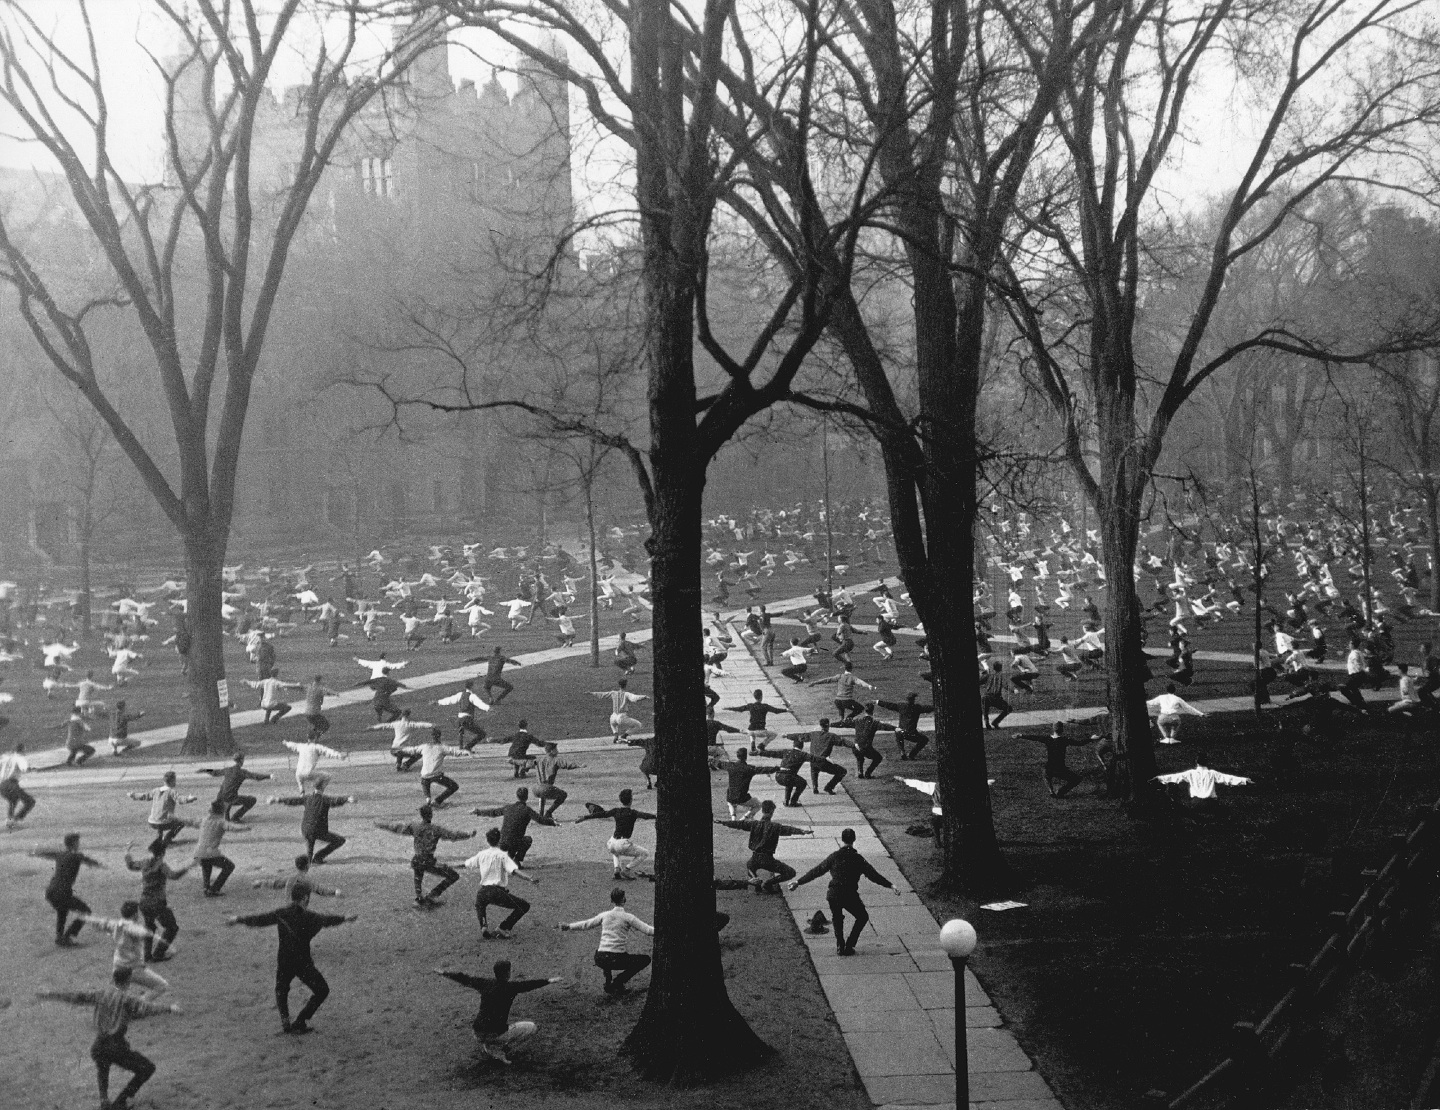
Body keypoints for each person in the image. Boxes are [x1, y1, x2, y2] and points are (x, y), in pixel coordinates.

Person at [36, 967, 182, 1110]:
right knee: (147, 1068)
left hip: (98, 1045)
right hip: (115, 1045)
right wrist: (169, 1008)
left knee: (103, 1068)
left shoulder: (102, 994)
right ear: (128, 982)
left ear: (114, 979)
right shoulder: (126, 999)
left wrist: (51, 995)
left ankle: (104, 1101)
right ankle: (120, 1102)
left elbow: (77, 997)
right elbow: (147, 1008)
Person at [226, 885, 358, 1034]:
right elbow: (326, 920)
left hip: (284, 960)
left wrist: (238, 919)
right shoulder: (310, 916)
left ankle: (285, 1022)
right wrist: (344, 918)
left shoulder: (282, 913)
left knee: (281, 989)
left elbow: (260, 919)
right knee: (322, 990)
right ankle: (300, 1020)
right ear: (305, 898)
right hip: (302, 962)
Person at [789, 826, 899, 954]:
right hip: (849, 894)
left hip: (833, 894)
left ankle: (840, 946)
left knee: (837, 917)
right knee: (862, 917)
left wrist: (798, 882)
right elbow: (874, 875)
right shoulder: (858, 859)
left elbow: (816, 871)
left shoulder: (834, 856)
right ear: (854, 840)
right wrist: (890, 885)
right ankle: (849, 944)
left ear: (842, 839)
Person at [436, 959, 562, 1063]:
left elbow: (465, 978)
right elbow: (528, 985)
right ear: (507, 973)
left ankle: (490, 1045)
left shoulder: (485, 983)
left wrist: (444, 973)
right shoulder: (510, 987)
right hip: (495, 1033)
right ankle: (497, 1048)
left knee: (492, 1030)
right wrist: (549, 980)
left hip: (477, 1032)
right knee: (532, 1027)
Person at [376, 804, 476, 907]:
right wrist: (468, 835)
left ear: (421, 815)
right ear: (431, 815)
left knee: (418, 877)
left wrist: (382, 825)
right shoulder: (435, 829)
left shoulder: (415, 826)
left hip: (417, 859)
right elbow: (452, 835)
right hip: (428, 861)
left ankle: (419, 899)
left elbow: (396, 827)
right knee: (453, 876)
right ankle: (431, 896)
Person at [560, 887, 655, 995]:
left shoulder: (604, 915)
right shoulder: (628, 917)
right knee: (645, 960)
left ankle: (608, 980)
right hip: (617, 958)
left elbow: (586, 924)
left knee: (606, 951)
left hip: (600, 958)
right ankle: (618, 982)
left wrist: (569, 926)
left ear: (611, 901)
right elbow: (648, 930)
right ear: (624, 899)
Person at [716, 799, 813, 892]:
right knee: (791, 872)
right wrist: (801, 831)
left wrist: (723, 822)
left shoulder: (754, 824)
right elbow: (788, 829)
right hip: (767, 859)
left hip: (754, 859)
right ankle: (768, 883)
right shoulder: (775, 826)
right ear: (772, 811)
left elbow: (739, 824)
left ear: (762, 811)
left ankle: (756, 883)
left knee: (750, 868)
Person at [463, 826, 542, 938]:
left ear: (487, 841)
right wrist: (530, 878)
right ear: (499, 840)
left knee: (480, 905)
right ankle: (503, 927)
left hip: (483, 891)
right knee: (524, 906)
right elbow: (515, 871)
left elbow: (467, 863)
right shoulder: (502, 856)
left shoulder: (482, 854)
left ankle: (484, 926)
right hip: (497, 891)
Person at [81, 901, 169, 1001]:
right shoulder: (132, 927)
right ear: (135, 914)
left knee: (117, 995)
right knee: (161, 986)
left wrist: (87, 918)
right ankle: (138, 1005)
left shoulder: (116, 925)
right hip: (134, 968)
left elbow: (101, 923)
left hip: (118, 968)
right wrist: (151, 934)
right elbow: (137, 931)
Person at [124, 838, 188, 963]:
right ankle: (158, 953)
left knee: (149, 927)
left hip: (144, 902)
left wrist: (127, 851)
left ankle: (147, 955)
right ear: (163, 853)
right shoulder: (161, 865)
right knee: (172, 928)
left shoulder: (144, 862)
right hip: (157, 903)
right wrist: (188, 867)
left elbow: (130, 865)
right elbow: (174, 876)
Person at [34, 832, 104, 945]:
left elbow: (47, 854)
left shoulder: (60, 854)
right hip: (62, 892)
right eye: (77, 842)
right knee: (86, 911)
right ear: (74, 843)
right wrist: (98, 865)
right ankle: (67, 937)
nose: (79, 844)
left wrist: (35, 853)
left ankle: (60, 937)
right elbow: (88, 860)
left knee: (62, 910)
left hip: (50, 891)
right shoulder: (77, 856)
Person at [575, 789, 655, 880]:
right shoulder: (633, 813)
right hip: (623, 844)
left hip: (611, 842)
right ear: (631, 800)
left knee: (615, 851)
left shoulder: (616, 811)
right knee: (644, 853)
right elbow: (646, 816)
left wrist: (585, 817)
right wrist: (656, 816)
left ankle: (617, 868)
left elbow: (602, 814)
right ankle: (627, 869)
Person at [267, 782, 354, 863]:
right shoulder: (325, 799)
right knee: (340, 840)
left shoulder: (307, 798)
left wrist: (278, 799)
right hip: (319, 830)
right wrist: (347, 799)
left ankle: (309, 861)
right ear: (323, 788)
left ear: (314, 788)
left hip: (306, 829)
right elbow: (335, 800)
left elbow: (293, 800)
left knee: (309, 852)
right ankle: (318, 857)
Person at [472, 786, 556, 864]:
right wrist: (552, 823)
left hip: (502, 844)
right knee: (528, 840)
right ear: (526, 797)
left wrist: (479, 812)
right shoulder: (527, 810)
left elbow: (493, 812)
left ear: (517, 796)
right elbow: (540, 820)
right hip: (514, 843)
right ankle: (516, 860)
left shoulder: (508, 808)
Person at [127, 772, 197, 847]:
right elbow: (179, 799)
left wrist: (133, 795)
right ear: (172, 781)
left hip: (152, 822)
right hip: (164, 823)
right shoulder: (171, 792)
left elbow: (145, 796)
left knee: (160, 816)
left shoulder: (156, 790)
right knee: (181, 822)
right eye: (175, 780)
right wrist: (189, 799)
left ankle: (159, 838)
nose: (175, 782)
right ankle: (167, 839)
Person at [198, 751, 271, 823]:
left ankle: (223, 815)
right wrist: (269, 776)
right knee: (252, 800)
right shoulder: (242, 772)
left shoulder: (228, 769)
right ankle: (235, 817)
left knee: (225, 817)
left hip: (220, 797)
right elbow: (256, 777)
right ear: (242, 760)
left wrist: (205, 769)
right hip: (231, 798)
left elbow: (215, 772)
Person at [1021, 722, 1088, 797]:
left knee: (1045, 773)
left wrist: (1021, 735)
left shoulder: (1048, 739)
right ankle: (1061, 791)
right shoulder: (1064, 740)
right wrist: (1091, 739)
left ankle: (1051, 791)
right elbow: (1080, 743)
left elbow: (1035, 737)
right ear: (1062, 729)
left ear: (1053, 729)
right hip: (1060, 769)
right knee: (1076, 779)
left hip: (1049, 768)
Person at [1154, 753, 1253, 799]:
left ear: (1196, 763)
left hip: (1195, 803)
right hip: (1210, 803)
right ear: (1207, 763)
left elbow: (1175, 777)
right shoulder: (1212, 773)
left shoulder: (1190, 773)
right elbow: (1228, 778)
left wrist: (1159, 779)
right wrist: (1244, 780)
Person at [830, 703, 887, 778]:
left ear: (864, 712)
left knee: (860, 757)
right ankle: (868, 773)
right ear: (873, 712)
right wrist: (895, 728)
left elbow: (843, 723)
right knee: (878, 758)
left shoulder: (857, 721)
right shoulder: (874, 723)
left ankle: (860, 772)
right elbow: (886, 726)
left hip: (856, 748)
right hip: (866, 748)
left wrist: (831, 724)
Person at [718, 748, 776, 820]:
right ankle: (744, 818)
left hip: (731, 795)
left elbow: (719, 764)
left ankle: (733, 818)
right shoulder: (749, 768)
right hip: (742, 797)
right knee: (757, 805)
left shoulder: (730, 765)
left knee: (730, 802)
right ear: (746, 757)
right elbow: (762, 769)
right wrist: (776, 768)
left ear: (737, 756)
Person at [371, 708, 434, 773]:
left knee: (400, 751)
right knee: (419, 754)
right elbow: (421, 724)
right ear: (409, 715)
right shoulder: (410, 724)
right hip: (403, 749)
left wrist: (372, 727)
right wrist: (432, 725)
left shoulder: (396, 724)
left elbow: (384, 725)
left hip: (393, 750)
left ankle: (398, 764)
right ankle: (405, 765)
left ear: (401, 715)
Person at [253, 854, 341, 900]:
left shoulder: (290, 877)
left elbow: (275, 883)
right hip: (299, 909)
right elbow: (319, 889)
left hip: (287, 907)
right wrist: (334, 892)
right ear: (307, 866)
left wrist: (260, 883)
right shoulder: (305, 880)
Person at [809, 661, 874, 721]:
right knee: (860, 708)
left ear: (844, 668)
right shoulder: (852, 677)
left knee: (841, 709)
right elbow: (860, 682)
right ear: (851, 669)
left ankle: (841, 720)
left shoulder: (839, 676)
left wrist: (815, 682)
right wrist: (868, 685)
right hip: (847, 701)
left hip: (837, 701)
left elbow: (827, 679)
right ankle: (848, 718)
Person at [283, 737, 349, 796]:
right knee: (327, 776)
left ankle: (302, 793)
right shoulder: (316, 747)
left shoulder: (302, 746)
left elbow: (293, 745)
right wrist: (340, 756)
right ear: (315, 738)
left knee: (300, 780)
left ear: (308, 738)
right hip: (308, 773)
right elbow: (328, 752)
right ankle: (317, 793)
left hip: (298, 774)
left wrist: (286, 743)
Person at [533, 742, 582, 818]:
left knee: (543, 794)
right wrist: (578, 765)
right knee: (563, 795)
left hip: (535, 789)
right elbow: (566, 764)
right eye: (556, 749)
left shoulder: (538, 760)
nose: (558, 751)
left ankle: (540, 815)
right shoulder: (555, 760)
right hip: (546, 788)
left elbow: (525, 763)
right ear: (552, 751)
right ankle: (548, 813)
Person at [878, 692, 933, 760]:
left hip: (901, 733)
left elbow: (889, 705)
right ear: (913, 700)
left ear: (906, 700)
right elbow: (928, 708)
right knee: (924, 739)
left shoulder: (901, 706)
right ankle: (912, 754)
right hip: (912, 733)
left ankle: (902, 751)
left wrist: (877, 702)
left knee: (898, 731)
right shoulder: (917, 708)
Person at [438, 681, 490, 748]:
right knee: (482, 734)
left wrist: (438, 702)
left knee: (461, 729)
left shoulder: (460, 694)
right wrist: (488, 708)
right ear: (472, 686)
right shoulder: (472, 696)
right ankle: (468, 747)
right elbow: (480, 704)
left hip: (459, 719)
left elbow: (450, 700)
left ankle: (461, 746)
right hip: (467, 719)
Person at [1, 740, 35, 828]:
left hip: (1, 784)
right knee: (30, 802)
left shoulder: (6, 757)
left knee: (13, 801)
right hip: (11, 783)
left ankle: (10, 820)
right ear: (22, 750)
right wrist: (31, 769)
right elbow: (24, 768)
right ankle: (15, 820)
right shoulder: (20, 758)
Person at [981, 660, 1011, 730]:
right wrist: (1014, 690)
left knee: (985, 711)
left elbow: (980, 681)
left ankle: (987, 724)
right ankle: (995, 722)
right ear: (1001, 668)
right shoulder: (1001, 676)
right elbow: (1005, 686)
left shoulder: (988, 675)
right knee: (1008, 708)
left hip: (985, 696)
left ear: (993, 668)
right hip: (994, 697)